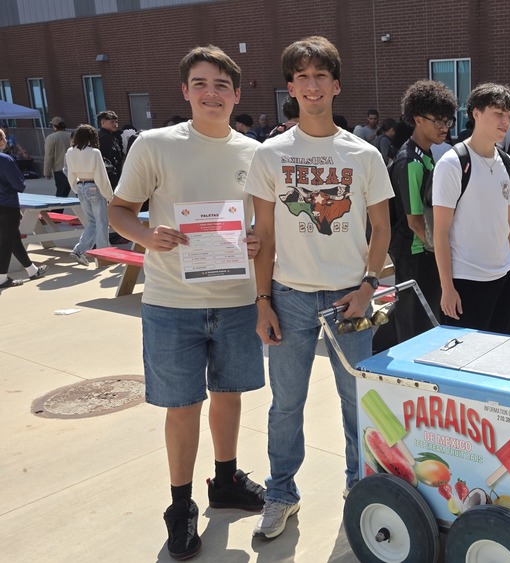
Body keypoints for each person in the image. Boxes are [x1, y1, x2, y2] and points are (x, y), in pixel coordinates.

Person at [107, 45, 266, 561]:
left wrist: (258, 239)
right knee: (182, 406)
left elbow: (264, 223)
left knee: (230, 394)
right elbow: (120, 211)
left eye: (221, 85)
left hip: (238, 299)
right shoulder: (155, 145)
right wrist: (148, 236)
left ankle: (224, 481)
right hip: (172, 302)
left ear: (237, 94)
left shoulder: (253, 152)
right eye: (200, 83)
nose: (211, 93)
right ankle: (181, 506)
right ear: (184, 90)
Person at [246, 36, 393, 540]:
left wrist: (369, 285)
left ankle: (360, 490)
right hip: (288, 295)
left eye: (320, 77)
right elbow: (262, 236)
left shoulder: (364, 154)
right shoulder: (270, 154)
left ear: (336, 85)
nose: (312, 86)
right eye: (301, 77)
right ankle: (281, 492)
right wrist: (262, 301)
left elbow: (383, 229)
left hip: (348, 297)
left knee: (357, 403)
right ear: (291, 87)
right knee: (286, 405)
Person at [432, 83, 510, 334]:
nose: (505, 122)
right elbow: (440, 231)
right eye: (498, 113)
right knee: (464, 365)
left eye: (509, 116)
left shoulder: (506, 162)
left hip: (505, 278)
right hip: (467, 281)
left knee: (501, 359)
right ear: (476, 113)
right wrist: (447, 287)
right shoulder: (453, 163)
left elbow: (509, 224)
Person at [387, 80, 456, 344]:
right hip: (415, 251)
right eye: (437, 120)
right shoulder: (411, 161)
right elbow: (415, 221)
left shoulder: (425, 155)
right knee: (415, 320)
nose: (444, 127)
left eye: (447, 121)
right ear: (417, 119)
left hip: (423, 249)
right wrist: (441, 253)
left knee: (420, 314)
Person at [0, 128, 48, 289]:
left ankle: (32, 270)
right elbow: (19, 185)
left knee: (13, 238)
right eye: (4, 138)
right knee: (7, 241)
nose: (6, 141)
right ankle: (1, 278)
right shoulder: (5, 160)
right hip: (7, 205)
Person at [65, 124, 114, 266]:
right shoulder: (94, 152)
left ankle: (79, 250)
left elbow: (70, 174)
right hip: (94, 186)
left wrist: (75, 188)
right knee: (102, 222)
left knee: (92, 222)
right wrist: (109, 195)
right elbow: (101, 176)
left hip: (81, 186)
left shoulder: (70, 152)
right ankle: (105, 255)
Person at [43, 116, 72, 199]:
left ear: (54, 126)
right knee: (79, 195)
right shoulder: (71, 136)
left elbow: (49, 156)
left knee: (61, 196)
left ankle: (57, 211)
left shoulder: (51, 138)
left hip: (60, 170)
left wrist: (47, 172)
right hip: (73, 168)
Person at [97, 110, 125, 188]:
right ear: (103, 123)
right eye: (112, 122)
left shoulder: (111, 136)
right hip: (110, 177)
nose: (116, 124)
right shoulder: (104, 137)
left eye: (116, 122)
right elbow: (107, 159)